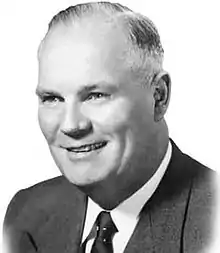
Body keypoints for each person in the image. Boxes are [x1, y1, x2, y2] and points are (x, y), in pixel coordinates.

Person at [3, 2, 217, 253]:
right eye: (52, 99)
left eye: (96, 95)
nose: (71, 125)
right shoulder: (25, 215)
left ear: (158, 97)